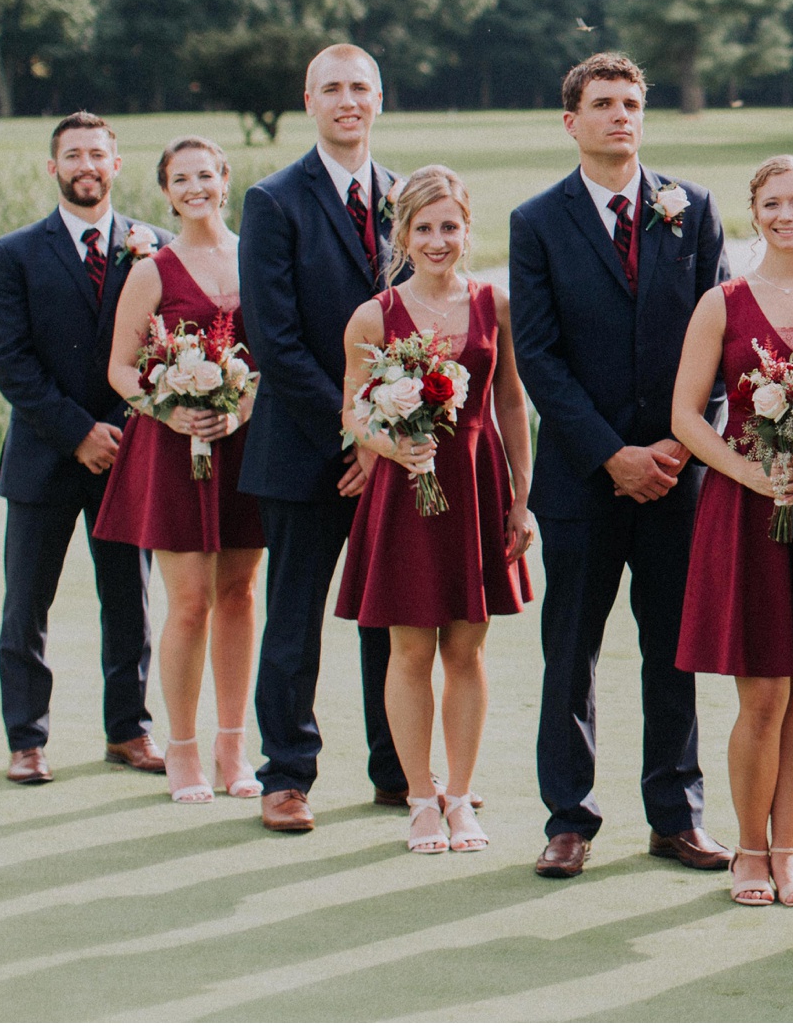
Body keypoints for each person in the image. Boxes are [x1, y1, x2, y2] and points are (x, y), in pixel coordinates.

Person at [510, 52, 729, 879]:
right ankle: (569, 818)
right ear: (572, 122)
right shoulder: (536, 221)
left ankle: (676, 815)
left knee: (674, 648)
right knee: (571, 650)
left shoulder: (692, 209)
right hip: (581, 478)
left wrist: (680, 444)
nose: (620, 116)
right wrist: (612, 454)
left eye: (632, 102)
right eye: (603, 104)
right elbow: (539, 356)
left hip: (678, 479)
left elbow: (721, 335)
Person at [673, 154, 793, 909]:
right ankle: (748, 849)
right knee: (760, 695)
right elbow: (685, 415)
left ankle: (789, 850)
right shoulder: (722, 302)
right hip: (745, 509)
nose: (787, 215)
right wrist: (751, 475)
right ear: (754, 212)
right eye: (773, 203)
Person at [238, 46, 414, 829]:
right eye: (333, 88)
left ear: (379, 100)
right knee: (294, 618)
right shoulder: (273, 201)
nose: (348, 100)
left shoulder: (406, 198)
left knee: (390, 614)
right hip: (304, 448)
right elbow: (274, 341)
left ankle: (398, 767)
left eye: (361, 88)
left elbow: (422, 320)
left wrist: (385, 440)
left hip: (392, 455)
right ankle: (286, 774)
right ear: (309, 99)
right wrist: (356, 434)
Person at [335, 167, 536, 853]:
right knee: (410, 646)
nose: (438, 239)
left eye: (450, 226)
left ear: (466, 228)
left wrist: (520, 497)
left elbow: (510, 401)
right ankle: (419, 796)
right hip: (405, 490)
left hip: (476, 484)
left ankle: (460, 795)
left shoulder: (494, 304)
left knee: (466, 647)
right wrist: (392, 442)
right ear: (404, 234)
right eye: (424, 227)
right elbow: (353, 414)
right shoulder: (374, 314)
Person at [0, 112, 164, 785]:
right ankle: (27, 738)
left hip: (127, 454)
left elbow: (163, 355)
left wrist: (118, 427)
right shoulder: (14, 253)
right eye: (73, 154)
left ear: (116, 164)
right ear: (52, 167)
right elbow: (12, 362)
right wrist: (79, 432)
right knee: (27, 602)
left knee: (130, 601)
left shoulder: (156, 246)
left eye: (98, 153)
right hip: (42, 457)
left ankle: (129, 730)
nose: (86, 164)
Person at [97, 137, 265, 803]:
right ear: (166, 191)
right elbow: (119, 367)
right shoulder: (153, 269)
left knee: (240, 595)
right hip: (174, 448)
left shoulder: (257, 257)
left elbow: (273, 353)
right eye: (180, 178)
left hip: (243, 446)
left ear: (225, 181)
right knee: (190, 600)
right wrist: (166, 409)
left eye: (206, 174)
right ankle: (185, 750)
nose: (195, 186)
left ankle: (234, 745)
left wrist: (244, 407)